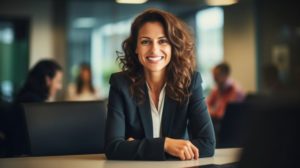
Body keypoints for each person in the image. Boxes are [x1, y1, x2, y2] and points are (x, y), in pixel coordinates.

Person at [105, 8, 215, 161]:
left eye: (163, 41)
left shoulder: (190, 81)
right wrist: (165, 144)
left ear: (173, 46)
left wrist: (136, 147)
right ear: (136, 47)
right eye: (145, 41)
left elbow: (207, 145)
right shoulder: (121, 84)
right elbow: (113, 148)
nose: (154, 49)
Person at [207, 62, 245, 136]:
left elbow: (222, 114)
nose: (214, 78)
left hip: (230, 126)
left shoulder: (236, 91)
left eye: (216, 75)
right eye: (213, 75)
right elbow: (206, 105)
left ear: (225, 74)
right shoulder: (217, 88)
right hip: (218, 123)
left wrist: (210, 111)